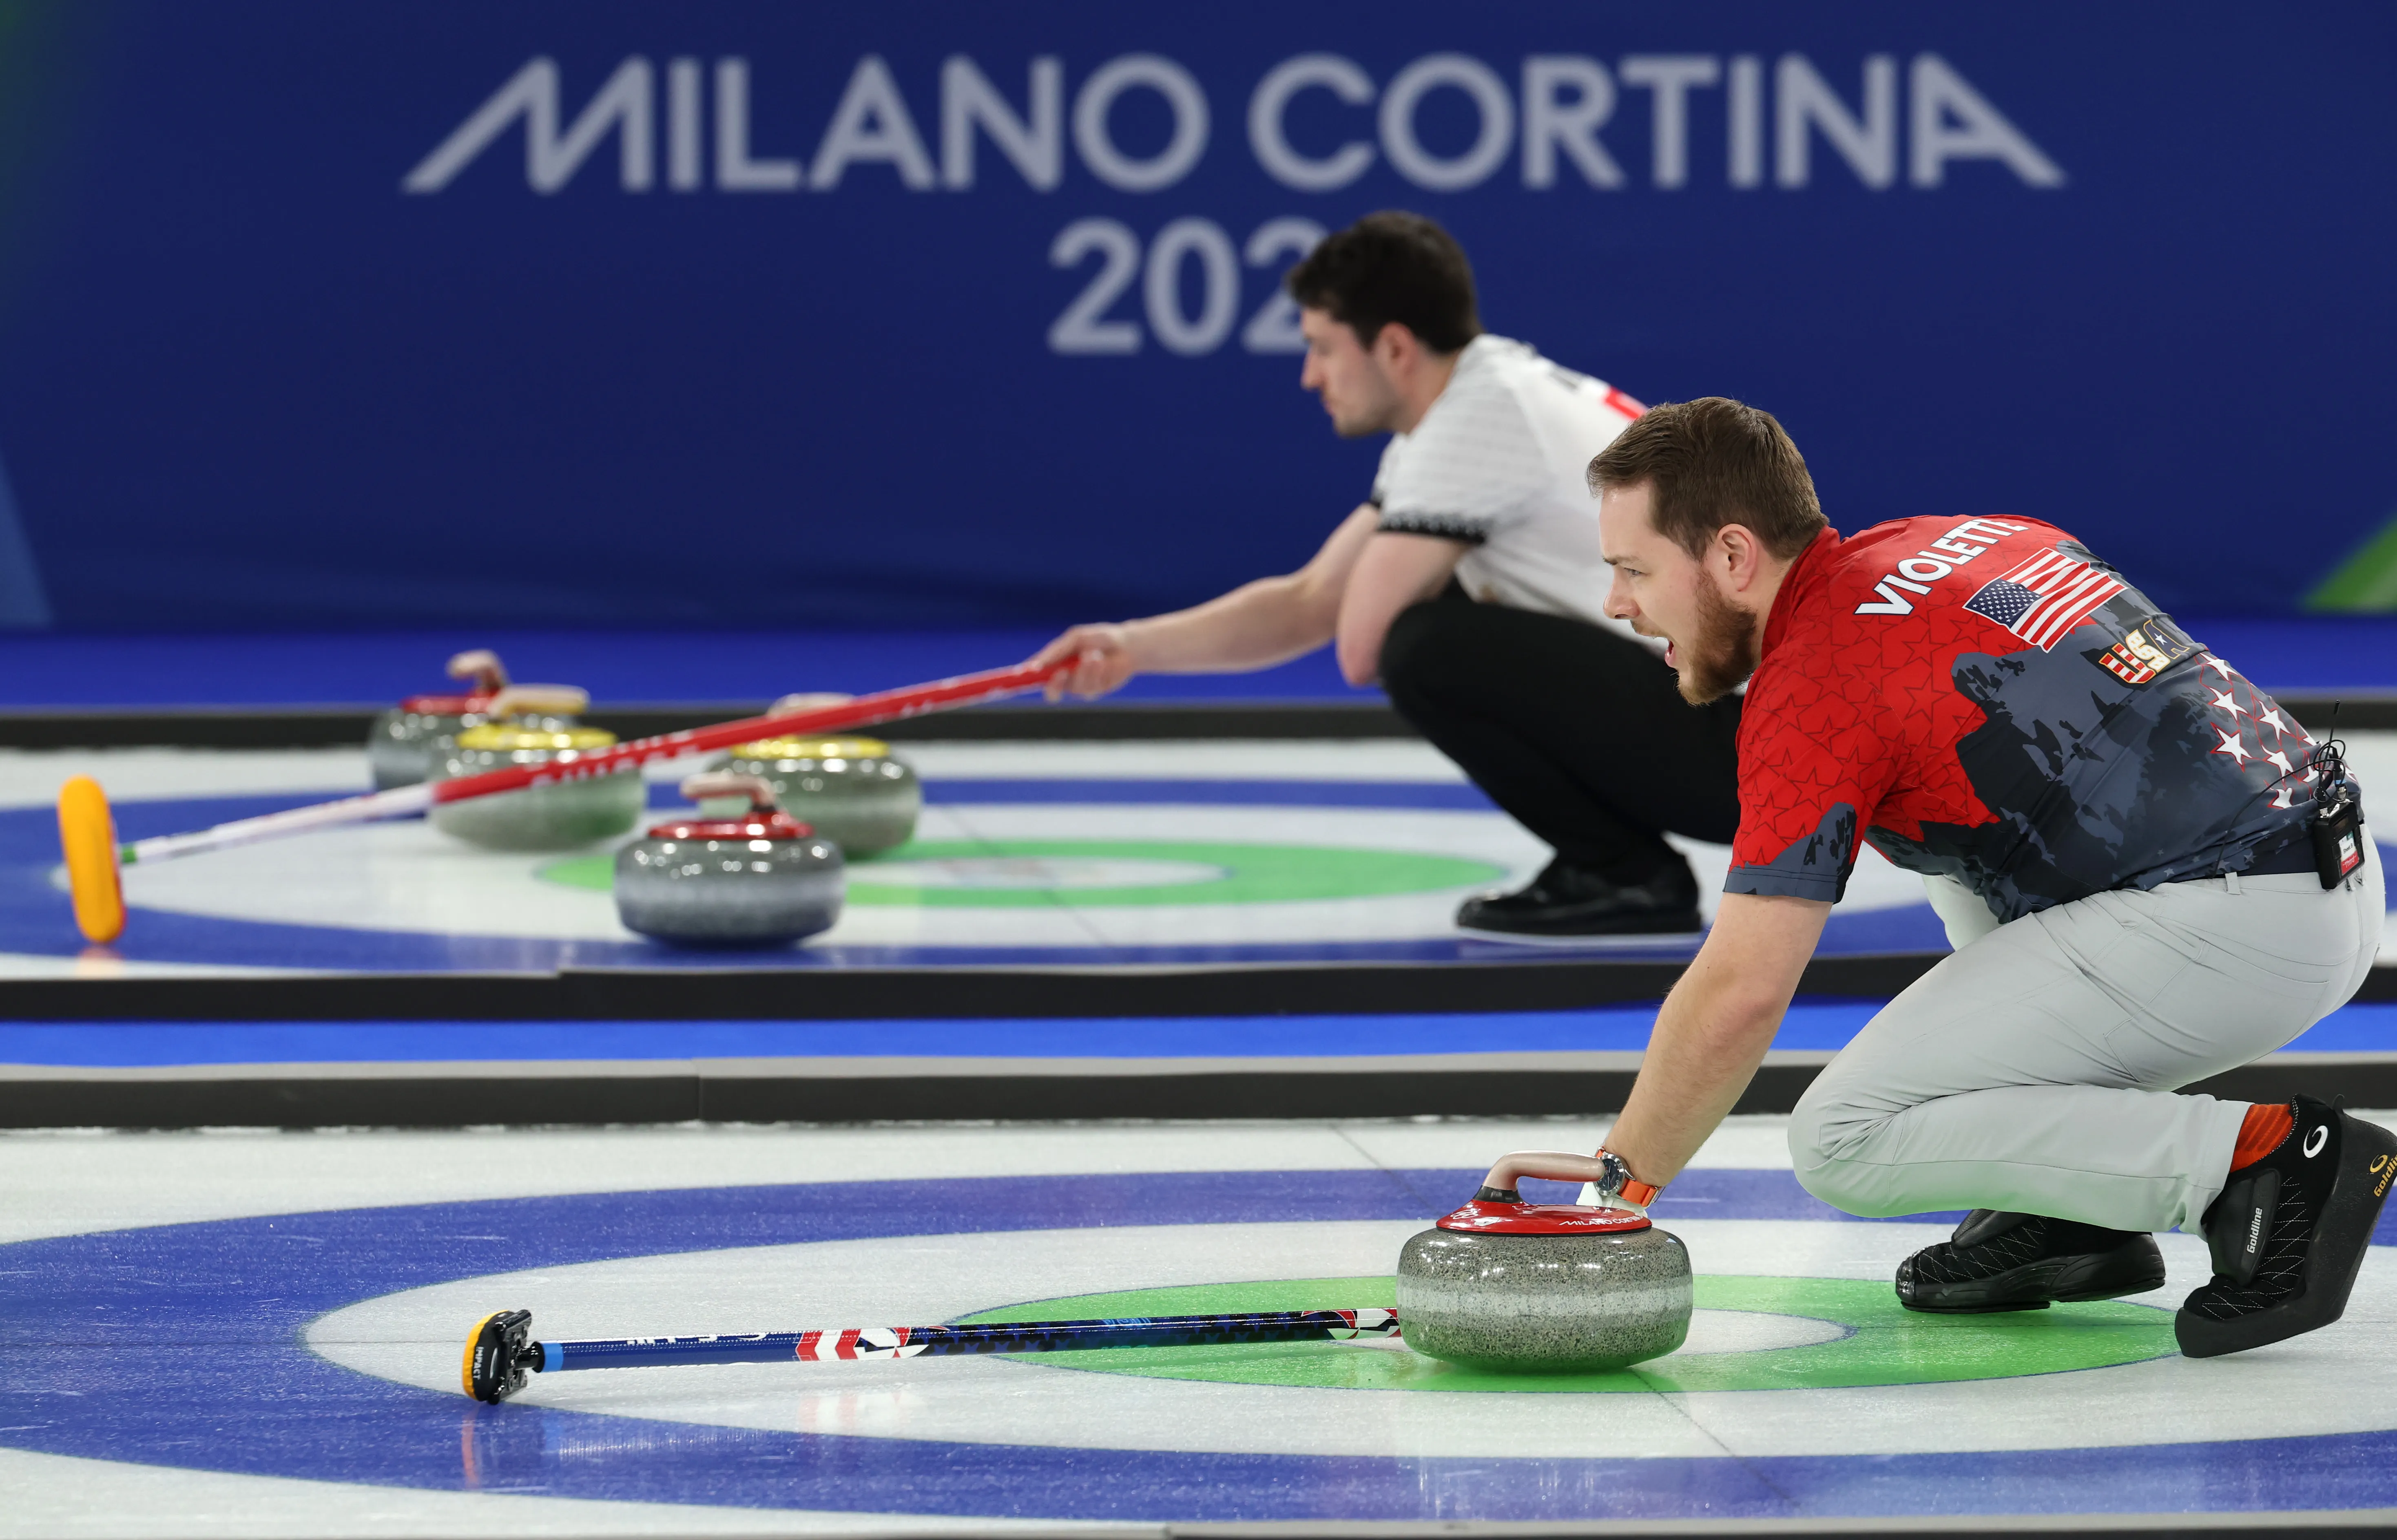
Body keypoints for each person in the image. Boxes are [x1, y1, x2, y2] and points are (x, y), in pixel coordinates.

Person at [1476, 395, 2389, 1356]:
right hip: (2327, 878)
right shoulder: (1964, 535)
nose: (1617, 604)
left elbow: (1742, 990)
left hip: (2233, 924)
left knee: (1842, 1140)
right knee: (1953, 834)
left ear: (1733, 557)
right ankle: (2071, 1209)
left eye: (1632, 570)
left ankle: (2273, 1163)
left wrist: (1617, 1185)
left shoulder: (1813, 690)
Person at [1026, 211, 1740, 937]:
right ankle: (1621, 867)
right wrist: (1129, 647)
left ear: (1394, 346)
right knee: (1427, 605)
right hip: (1754, 734)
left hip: (1747, 752)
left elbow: (1360, 647)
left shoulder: (1478, 418)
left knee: (1424, 644)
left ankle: (1622, 871)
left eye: (1322, 349)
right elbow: (1311, 600)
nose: (1310, 376)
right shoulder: (1479, 399)